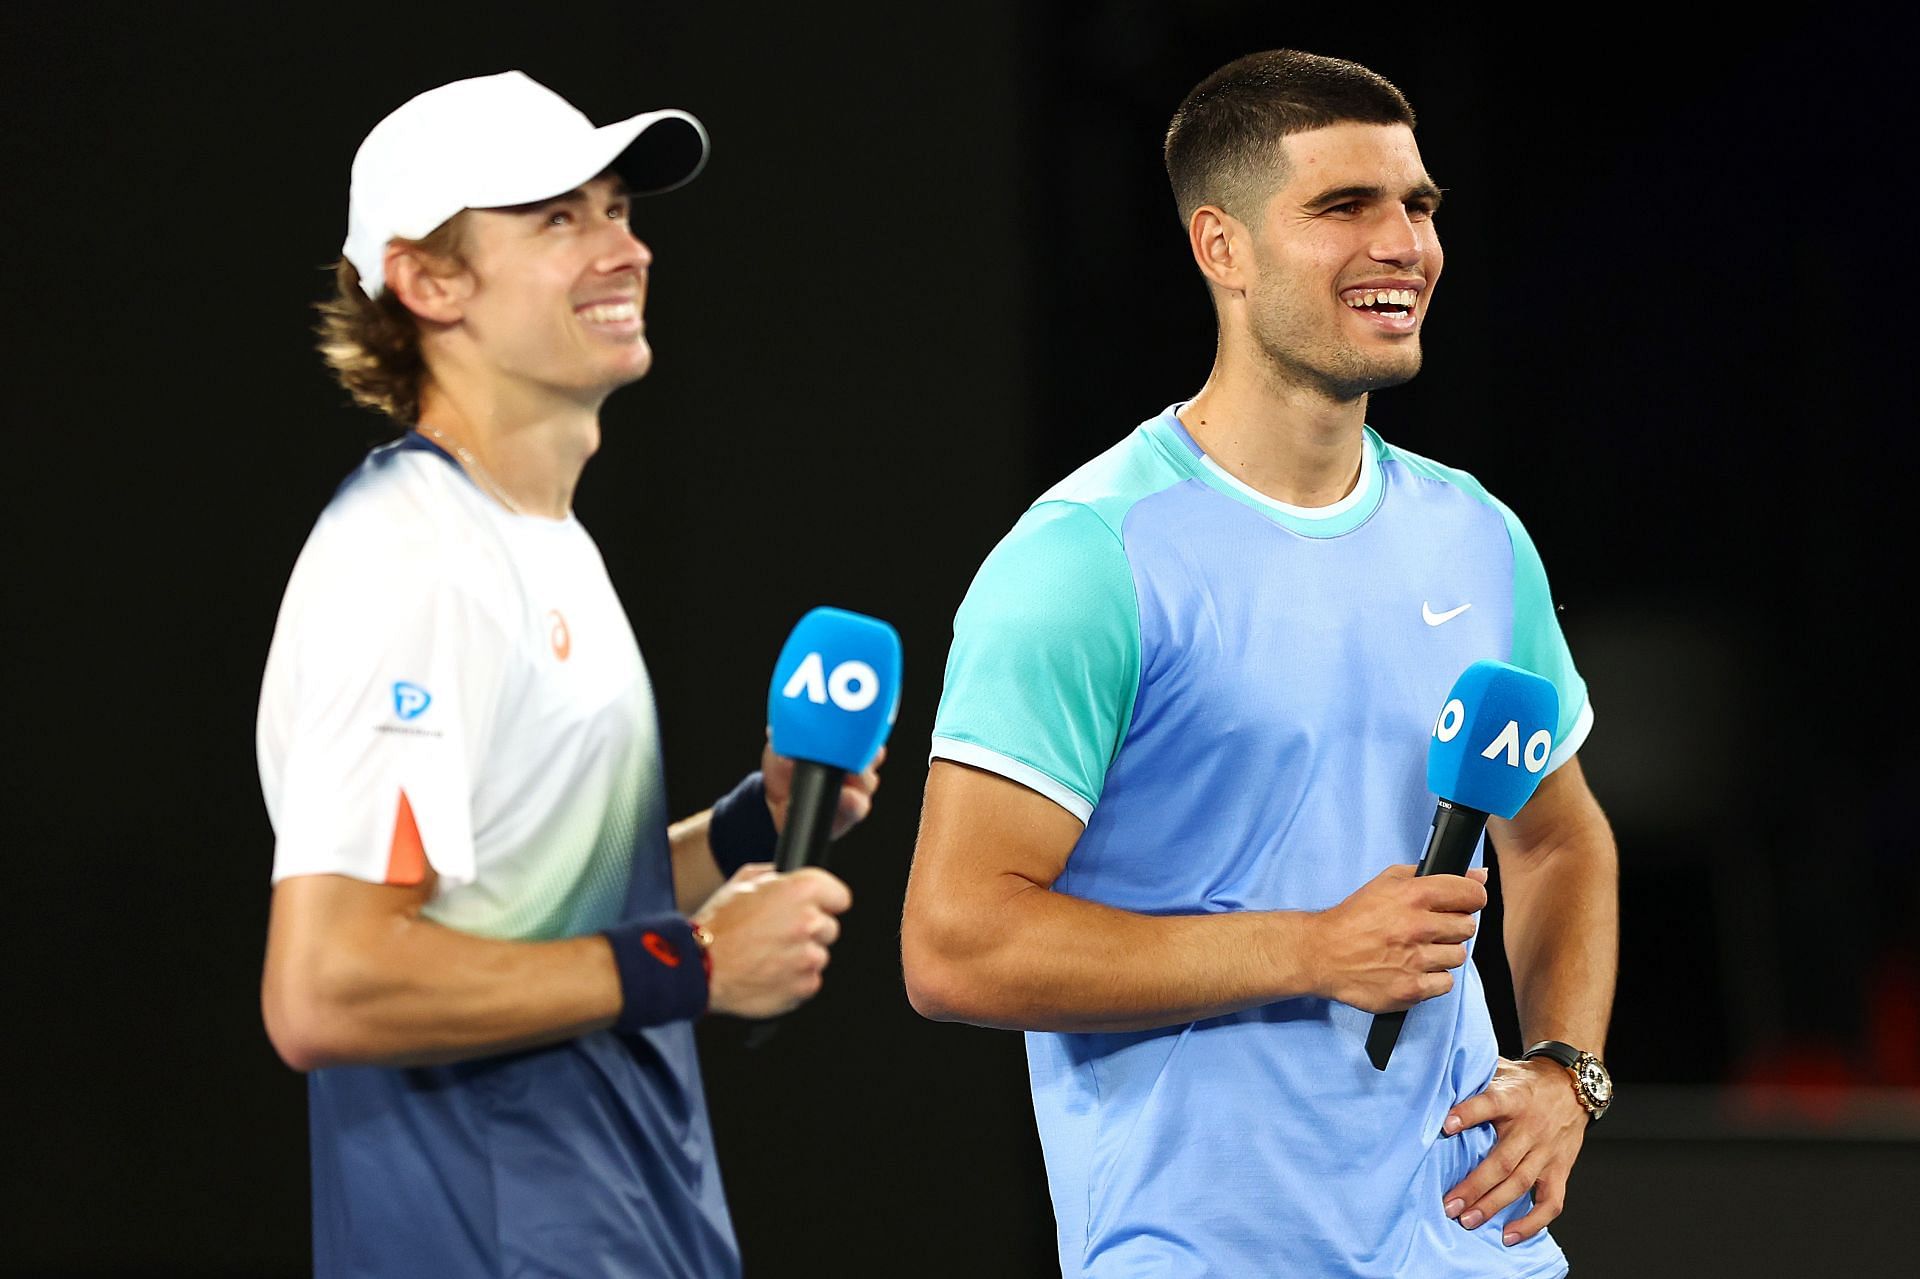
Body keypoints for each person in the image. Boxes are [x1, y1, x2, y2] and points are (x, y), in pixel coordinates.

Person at [901, 50, 1616, 1278]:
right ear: (1219, 248)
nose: (1404, 243)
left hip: (1470, 1246)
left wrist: (1567, 1070)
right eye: (1344, 208)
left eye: (1420, 206)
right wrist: (1309, 949)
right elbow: (956, 943)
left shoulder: (1477, 535)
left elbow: (1555, 836)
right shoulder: (1088, 558)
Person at [257, 71, 879, 1279]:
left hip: (633, 1230)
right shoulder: (407, 560)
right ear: (429, 282)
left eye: (616, 211)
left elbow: (546, 903)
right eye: (558, 220)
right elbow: (328, 987)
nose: (624, 249)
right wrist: (694, 965)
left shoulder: (540, 541)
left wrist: (756, 824)